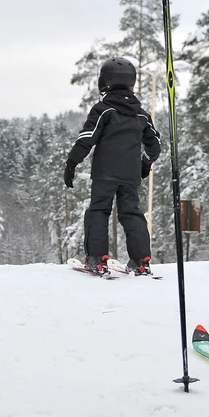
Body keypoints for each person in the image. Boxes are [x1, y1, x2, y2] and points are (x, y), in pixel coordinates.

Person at [65, 57, 161, 276]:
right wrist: (145, 163)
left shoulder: (104, 110)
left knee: (99, 211)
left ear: (104, 81)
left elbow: (87, 138)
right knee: (132, 214)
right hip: (130, 175)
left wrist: (72, 162)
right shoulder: (141, 114)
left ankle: (96, 260)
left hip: (105, 173)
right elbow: (155, 144)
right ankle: (140, 262)